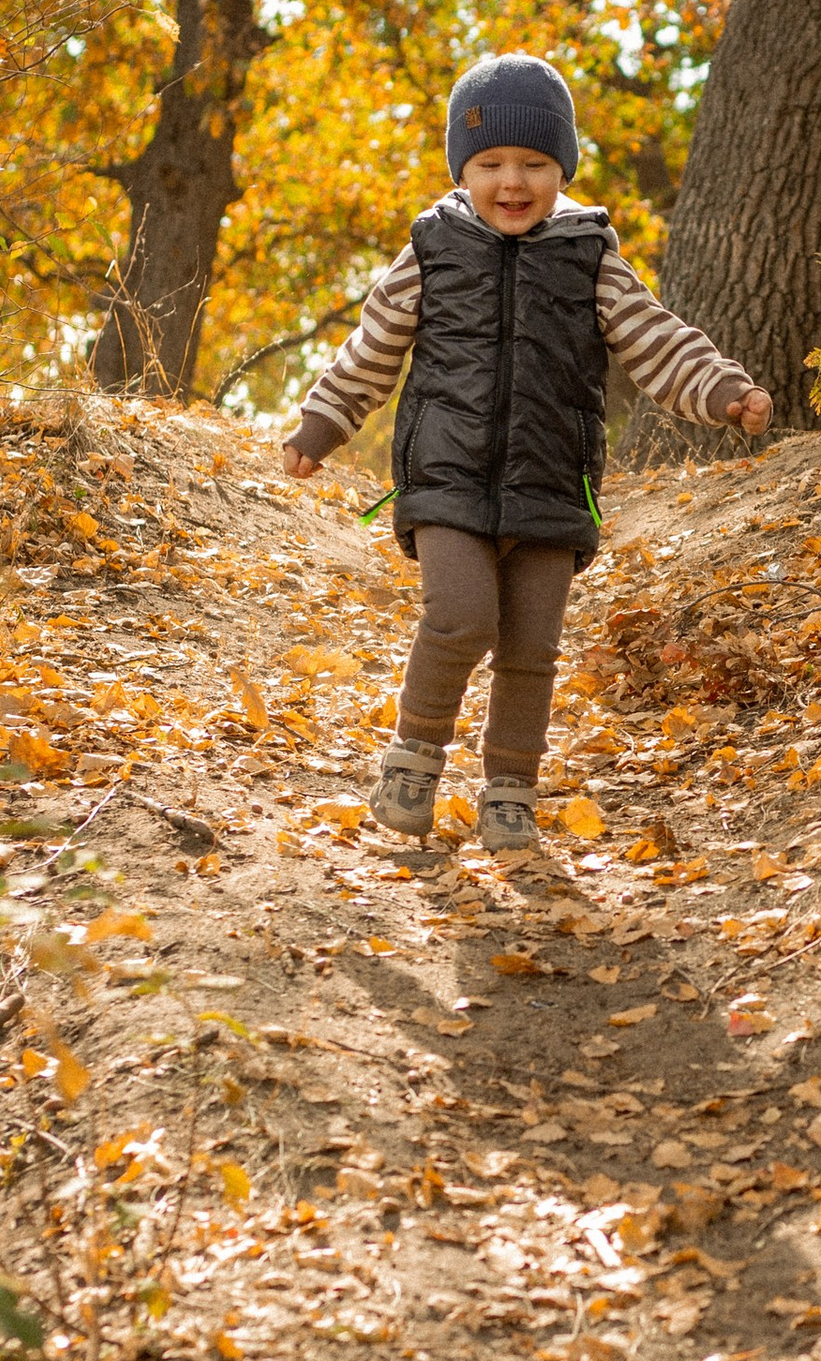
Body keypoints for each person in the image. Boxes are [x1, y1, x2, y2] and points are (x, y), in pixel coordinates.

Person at [280, 52, 772, 857]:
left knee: (532, 645)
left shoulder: (590, 254)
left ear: (562, 169)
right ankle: (414, 757)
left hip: (552, 483)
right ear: (463, 169)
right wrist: (322, 426)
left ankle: (510, 788)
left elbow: (654, 340)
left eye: (535, 164)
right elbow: (371, 349)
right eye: (492, 164)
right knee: (462, 616)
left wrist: (720, 392)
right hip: (447, 477)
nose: (513, 181)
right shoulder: (432, 251)